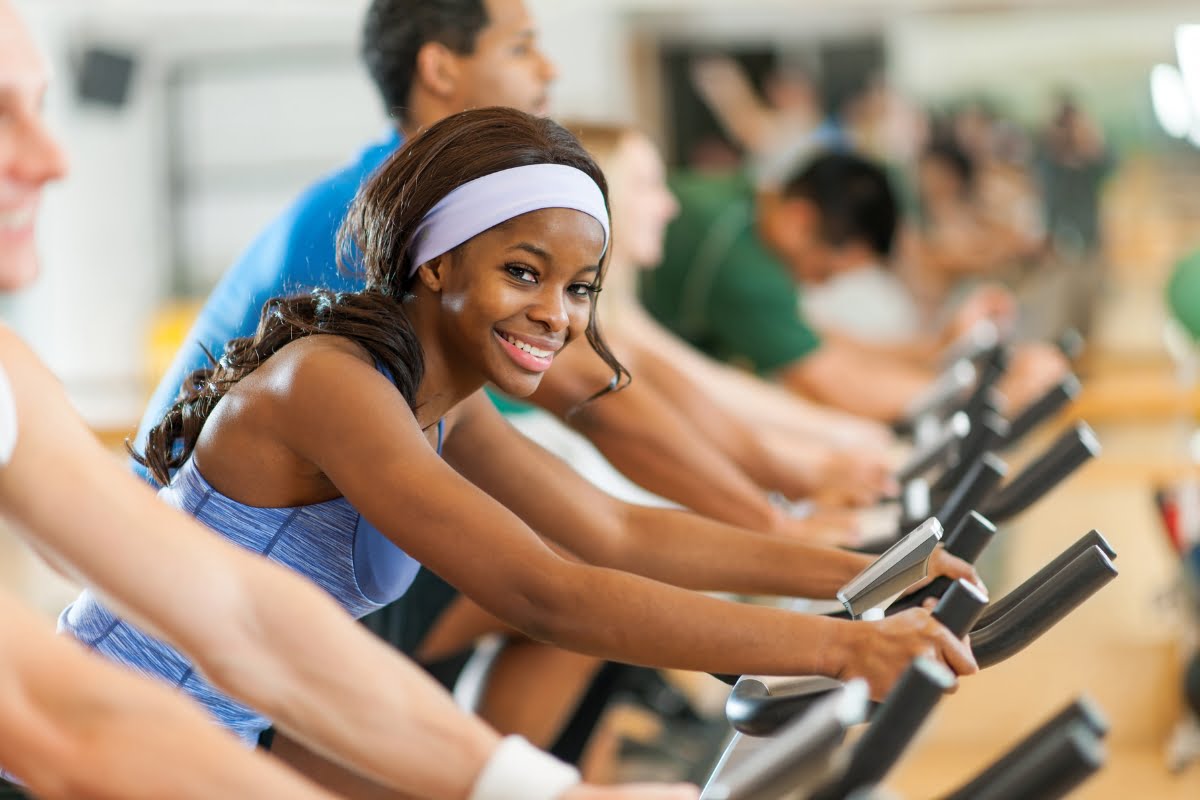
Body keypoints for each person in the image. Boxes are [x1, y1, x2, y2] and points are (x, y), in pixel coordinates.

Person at [98, 106, 980, 794]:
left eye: (580, 287)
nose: (558, 314)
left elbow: (618, 533)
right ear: (435, 260)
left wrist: (865, 569)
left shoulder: (442, 401)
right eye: (523, 272)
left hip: (222, 732)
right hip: (101, 737)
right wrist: (843, 651)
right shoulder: (333, 385)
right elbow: (547, 591)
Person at [0, 4, 693, 798]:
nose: (54, 159)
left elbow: (245, 620)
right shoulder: (353, 268)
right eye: (523, 45)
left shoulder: (10, 372)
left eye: (40, 110)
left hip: (207, 649)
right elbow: (61, 720)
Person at [640, 150, 1069, 421]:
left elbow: (816, 340)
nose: (817, 284)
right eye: (823, 271)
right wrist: (990, 396)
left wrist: (935, 347)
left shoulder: (746, 204)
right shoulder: (742, 266)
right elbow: (835, 383)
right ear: (801, 221)